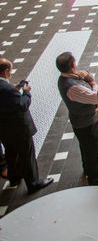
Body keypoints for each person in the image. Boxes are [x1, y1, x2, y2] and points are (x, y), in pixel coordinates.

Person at [0, 58, 53, 194]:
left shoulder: (5, 88)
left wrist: (15, 89)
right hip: (18, 128)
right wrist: (27, 92)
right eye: (10, 71)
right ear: (6, 72)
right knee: (27, 155)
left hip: (4, 128)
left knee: (11, 153)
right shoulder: (5, 88)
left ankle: (15, 178)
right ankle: (33, 183)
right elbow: (22, 105)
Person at [56, 52, 98, 186]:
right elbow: (96, 97)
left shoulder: (66, 78)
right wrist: (92, 82)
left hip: (80, 120)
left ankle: (88, 170)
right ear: (73, 65)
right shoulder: (73, 87)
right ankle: (96, 178)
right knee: (93, 150)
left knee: (86, 148)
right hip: (86, 123)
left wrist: (84, 77)